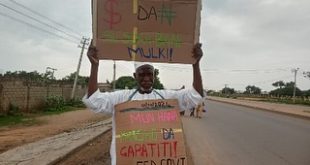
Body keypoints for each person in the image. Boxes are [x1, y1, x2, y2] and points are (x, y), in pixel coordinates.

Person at [82, 42, 204, 165]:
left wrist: (196, 64)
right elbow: (94, 101)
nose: (146, 78)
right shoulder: (121, 98)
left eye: (149, 74)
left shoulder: (167, 97)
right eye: (142, 74)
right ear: (135, 76)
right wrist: (94, 66)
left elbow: (196, 95)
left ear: (154, 76)